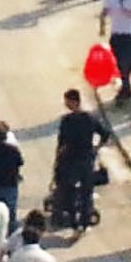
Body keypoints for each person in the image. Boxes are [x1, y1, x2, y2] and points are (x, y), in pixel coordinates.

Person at [51, 91, 101, 231]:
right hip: (87, 160)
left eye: (67, 101)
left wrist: (58, 160)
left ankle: (74, 222)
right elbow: (105, 133)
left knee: (70, 191)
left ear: (74, 101)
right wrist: (96, 147)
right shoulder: (91, 118)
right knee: (86, 193)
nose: (66, 104)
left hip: (70, 160)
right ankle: (85, 223)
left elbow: (62, 143)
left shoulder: (67, 120)